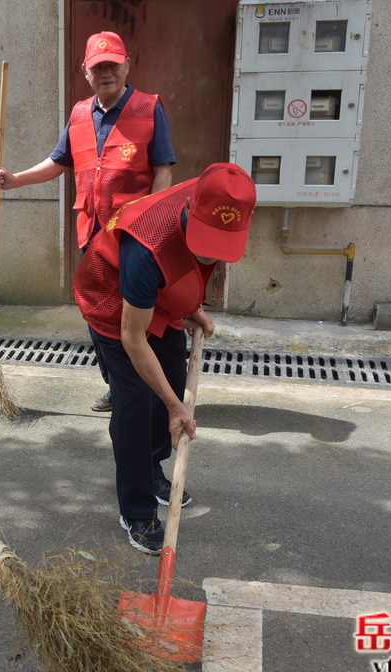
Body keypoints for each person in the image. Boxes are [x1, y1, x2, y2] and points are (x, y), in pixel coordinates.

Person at [73, 163, 256, 554]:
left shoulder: (218, 195)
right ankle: (136, 509)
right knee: (136, 399)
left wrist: (191, 307)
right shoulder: (146, 248)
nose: (212, 253)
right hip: (111, 300)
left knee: (170, 376)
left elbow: (189, 267)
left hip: (159, 300)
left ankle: (153, 467)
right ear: (191, 206)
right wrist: (176, 408)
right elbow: (132, 336)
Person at [0, 30, 176, 413]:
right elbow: (58, 162)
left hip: (132, 236)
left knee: (134, 310)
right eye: (98, 67)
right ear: (86, 72)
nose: (106, 72)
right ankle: (116, 382)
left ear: (127, 65)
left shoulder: (148, 108)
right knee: (95, 310)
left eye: (112, 64)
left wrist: (153, 226)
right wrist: (15, 179)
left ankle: (142, 385)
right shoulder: (79, 114)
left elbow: (163, 171)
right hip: (91, 233)